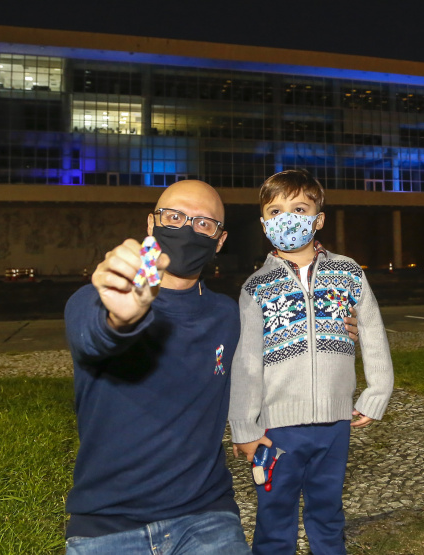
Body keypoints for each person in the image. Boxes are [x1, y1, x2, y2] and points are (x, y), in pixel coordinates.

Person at [63, 179, 357, 554]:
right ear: (152, 225)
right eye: (175, 216)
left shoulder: (228, 315)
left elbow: (286, 353)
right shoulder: (94, 299)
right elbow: (95, 337)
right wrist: (122, 320)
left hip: (206, 515)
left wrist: (337, 325)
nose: (188, 228)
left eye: (204, 223)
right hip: (107, 524)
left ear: (219, 241)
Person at [228, 169, 395, 555]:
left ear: (317, 219)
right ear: (263, 223)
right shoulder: (255, 287)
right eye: (275, 210)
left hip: (335, 423)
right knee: (274, 513)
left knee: (327, 509)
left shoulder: (348, 272)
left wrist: (378, 391)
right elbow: (246, 360)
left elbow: (372, 331)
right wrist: (243, 425)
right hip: (277, 428)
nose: (286, 218)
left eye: (299, 208)